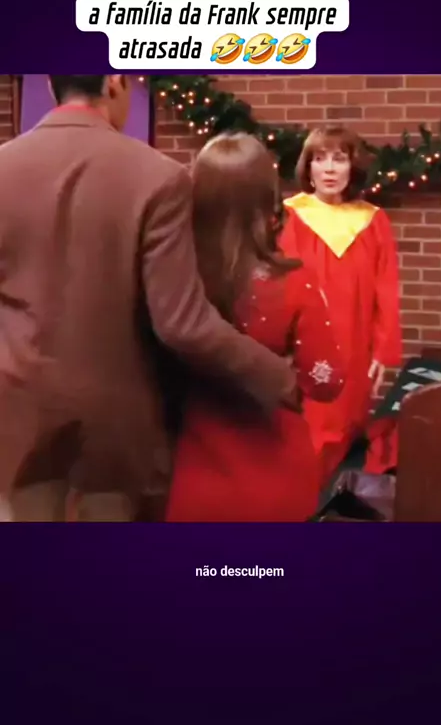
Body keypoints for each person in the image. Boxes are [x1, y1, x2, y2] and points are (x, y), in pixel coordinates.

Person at [0, 75, 300, 522]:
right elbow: (182, 324)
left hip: (17, 414)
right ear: (114, 83)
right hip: (113, 429)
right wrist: (279, 376)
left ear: (50, 85)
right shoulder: (157, 175)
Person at [166, 133, 345, 522]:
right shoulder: (296, 282)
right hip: (275, 472)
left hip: (189, 473)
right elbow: (327, 381)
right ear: (268, 201)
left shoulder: (173, 278)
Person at [279, 126, 402, 490]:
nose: (330, 169)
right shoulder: (290, 217)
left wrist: (383, 351)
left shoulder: (373, 221)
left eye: (339, 159)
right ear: (308, 167)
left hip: (356, 345)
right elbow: (279, 285)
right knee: (306, 435)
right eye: (320, 159)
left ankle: (331, 504)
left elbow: (386, 289)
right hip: (305, 347)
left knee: (347, 432)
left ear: (353, 166)